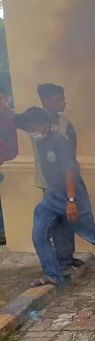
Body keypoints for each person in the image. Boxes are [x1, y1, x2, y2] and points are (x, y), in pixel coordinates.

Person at [15, 107, 95, 286]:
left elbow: (69, 171)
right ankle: (53, 275)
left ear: (45, 125)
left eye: (32, 126)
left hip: (73, 198)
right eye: (28, 127)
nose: (30, 131)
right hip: (52, 197)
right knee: (38, 234)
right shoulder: (41, 141)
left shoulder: (60, 141)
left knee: (90, 234)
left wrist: (71, 201)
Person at [35, 83, 83, 274]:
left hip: (66, 180)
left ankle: (66, 257)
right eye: (59, 98)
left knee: (67, 218)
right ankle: (55, 262)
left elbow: (72, 147)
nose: (63, 101)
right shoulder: (35, 121)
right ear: (46, 100)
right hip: (47, 181)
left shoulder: (65, 122)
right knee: (52, 220)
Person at [0, 86, 18, 245]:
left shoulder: (15, 118)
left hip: (10, 166)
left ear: (5, 99)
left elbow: (16, 144)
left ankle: (5, 231)